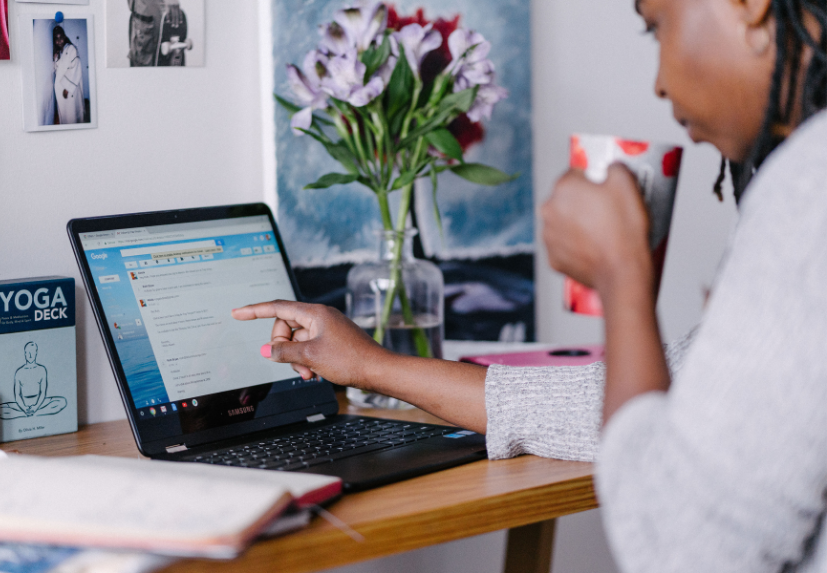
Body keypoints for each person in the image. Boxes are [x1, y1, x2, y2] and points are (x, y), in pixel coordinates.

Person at [233, 0, 827, 570]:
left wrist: (622, 275)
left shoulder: (807, 190)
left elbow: (679, 546)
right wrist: (371, 366)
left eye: (655, 26)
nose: (659, 84)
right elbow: (686, 394)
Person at [0, 342, 67, 419]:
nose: (30, 355)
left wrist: (36, 407)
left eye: (32, 352)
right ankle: (30, 413)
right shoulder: (19, 372)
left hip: (39, 402)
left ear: (36, 353)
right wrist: (24, 408)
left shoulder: (42, 370)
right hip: (22, 403)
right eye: (28, 353)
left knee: (62, 402)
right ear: (25, 354)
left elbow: (43, 393)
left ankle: (25, 414)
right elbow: (17, 395)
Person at [52, 26, 84, 125]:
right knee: (64, 113)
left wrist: (67, 88)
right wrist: (55, 59)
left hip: (69, 88)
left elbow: (75, 67)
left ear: (64, 36)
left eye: (61, 37)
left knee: (72, 112)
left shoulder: (71, 49)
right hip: (60, 89)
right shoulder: (58, 53)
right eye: (56, 38)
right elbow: (57, 70)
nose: (59, 40)